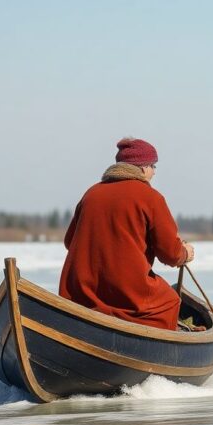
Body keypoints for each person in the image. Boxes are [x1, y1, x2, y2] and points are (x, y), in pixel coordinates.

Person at [59, 137, 195, 330]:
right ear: (142, 168)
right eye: (153, 166)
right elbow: (171, 254)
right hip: (129, 296)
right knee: (170, 302)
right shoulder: (151, 197)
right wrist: (185, 253)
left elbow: (69, 242)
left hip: (81, 294)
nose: (154, 172)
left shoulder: (91, 194)